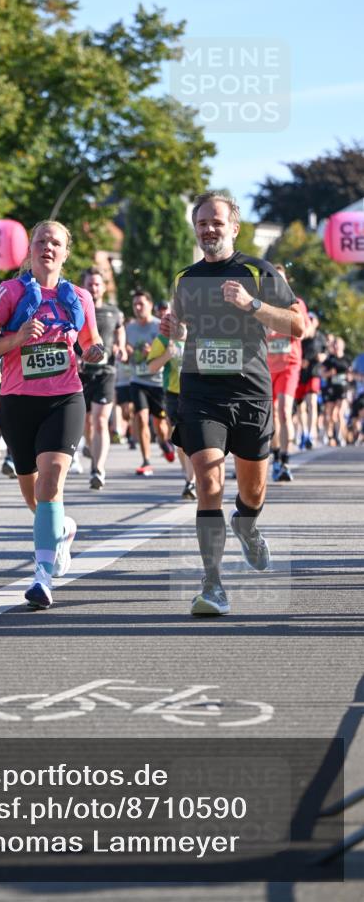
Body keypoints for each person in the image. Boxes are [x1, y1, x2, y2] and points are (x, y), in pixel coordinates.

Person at [170, 191, 304, 616]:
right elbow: (180, 331)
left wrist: (254, 305)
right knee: (208, 482)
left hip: (250, 392)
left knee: (252, 492)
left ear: (234, 227)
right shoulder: (184, 279)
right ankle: (212, 585)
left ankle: (246, 526)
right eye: (202, 223)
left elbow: (298, 324)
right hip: (201, 392)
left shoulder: (259, 272)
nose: (209, 229)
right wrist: (172, 328)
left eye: (216, 221)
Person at [0, 220, 104, 609]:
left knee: (51, 481)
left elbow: (91, 342)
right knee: (36, 494)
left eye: (56, 243)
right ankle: (61, 529)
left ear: (66, 253)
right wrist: (17, 338)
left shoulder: (79, 297)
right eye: (41, 241)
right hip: (17, 400)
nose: (48, 247)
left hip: (65, 398)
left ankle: (41, 577)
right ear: (30, 250)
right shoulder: (9, 292)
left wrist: (96, 352)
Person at [79, 266, 125, 489]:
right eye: (90, 285)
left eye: (97, 284)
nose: (94, 288)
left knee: (99, 420)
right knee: (86, 421)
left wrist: (121, 346)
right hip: (81, 373)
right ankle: (89, 446)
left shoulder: (113, 311)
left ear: (104, 287)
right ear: (84, 287)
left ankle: (97, 469)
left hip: (106, 372)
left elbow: (120, 329)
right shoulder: (76, 309)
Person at [266, 263, 309, 482]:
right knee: (271, 414)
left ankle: (284, 459)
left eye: (280, 278)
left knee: (284, 410)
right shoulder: (262, 304)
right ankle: (275, 455)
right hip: (267, 365)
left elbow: (305, 330)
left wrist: (286, 325)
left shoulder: (296, 303)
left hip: (290, 364)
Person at [146, 314, 196, 500]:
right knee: (181, 439)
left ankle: (191, 481)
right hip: (174, 394)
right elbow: (151, 367)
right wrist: (167, 354)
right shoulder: (163, 339)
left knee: (193, 438)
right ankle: (189, 476)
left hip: (196, 393)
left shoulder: (198, 334)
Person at [126, 290, 174, 476]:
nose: (138, 308)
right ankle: (146, 460)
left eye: (141, 304)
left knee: (161, 425)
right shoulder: (129, 328)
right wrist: (126, 352)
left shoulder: (159, 325)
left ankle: (163, 442)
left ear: (149, 305)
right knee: (141, 417)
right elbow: (124, 350)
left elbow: (171, 352)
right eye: (135, 304)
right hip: (137, 380)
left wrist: (153, 352)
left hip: (158, 381)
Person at [295, 312, 327, 450]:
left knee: (312, 403)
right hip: (300, 374)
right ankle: (304, 433)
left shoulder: (320, 337)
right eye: (308, 318)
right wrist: (300, 361)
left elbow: (325, 352)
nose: (310, 320)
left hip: (314, 372)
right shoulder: (300, 335)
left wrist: (323, 356)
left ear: (317, 323)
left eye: (312, 319)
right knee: (300, 406)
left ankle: (311, 434)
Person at [321, 337, 351, 446]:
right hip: (331, 388)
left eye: (338, 344)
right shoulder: (330, 359)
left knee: (339, 413)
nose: (336, 346)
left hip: (343, 388)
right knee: (330, 414)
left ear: (343, 346)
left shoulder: (347, 359)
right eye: (334, 344)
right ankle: (329, 435)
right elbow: (322, 373)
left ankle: (340, 436)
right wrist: (329, 373)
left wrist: (349, 376)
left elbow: (351, 374)